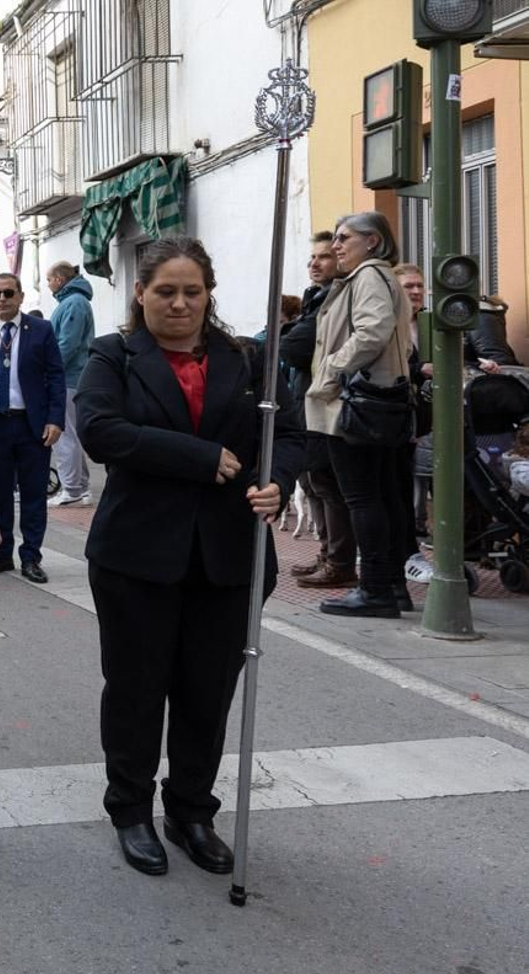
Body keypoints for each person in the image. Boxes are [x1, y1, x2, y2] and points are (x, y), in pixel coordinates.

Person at [75, 235, 304, 877]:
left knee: (209, 691)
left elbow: (286, 433)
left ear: (209, 295)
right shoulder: (113, 355)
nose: (180, 304)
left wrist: (276, 479)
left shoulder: (249, 359)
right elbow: (100, 432)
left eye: (192, 292)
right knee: (137, 689)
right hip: (137, 554)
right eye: (166, 291)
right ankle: (131, 809)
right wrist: (201, 459)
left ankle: (191, 811)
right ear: (141, 293)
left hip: (230, 554)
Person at [305, 212, 413, 618]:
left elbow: (371, 332)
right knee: (382, 496)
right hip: (377, 403)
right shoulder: (379, 276)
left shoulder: (368, 275)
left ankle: (374, 590)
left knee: (363, 498)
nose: (336, 245)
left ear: (372, 240)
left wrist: (331, 368)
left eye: (343, 237)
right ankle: (392, 587)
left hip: (354, 405)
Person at [0, 273, 65, 583]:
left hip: (31, 425)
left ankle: (31, 557)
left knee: (33, 493)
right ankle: (3, 556)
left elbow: (56, 376)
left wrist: (55, 419)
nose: (2, 299)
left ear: (21, 296)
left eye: (8, 293)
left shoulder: (41, 330)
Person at [279, 232, 357, 589]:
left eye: (324, 256)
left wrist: (289, 338)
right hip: (307, 398)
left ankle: (339, 562)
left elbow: (294, 348)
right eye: (312, 257)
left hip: (328, 402)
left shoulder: (337, 297)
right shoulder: (316, 297)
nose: (315, 263)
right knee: (312, 480)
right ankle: (327, 553)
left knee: (327, 483)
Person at [47, 261, 95, 505]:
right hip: (72, 377)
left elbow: (68, 343)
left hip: (67, 378)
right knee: (71, 434)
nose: (48, 286)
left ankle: (72, 490)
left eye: (49, 280)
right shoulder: (75, 302)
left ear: (59, 280)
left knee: (63, 434)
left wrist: (50, 370)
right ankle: (80, 487)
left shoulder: (74, 303)